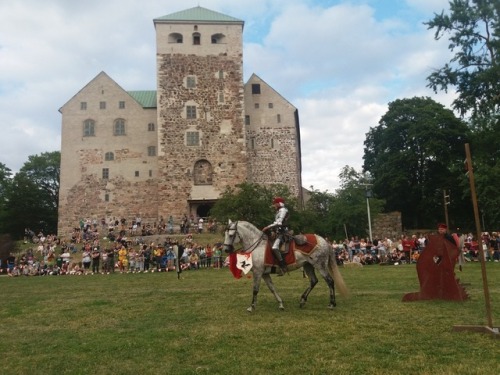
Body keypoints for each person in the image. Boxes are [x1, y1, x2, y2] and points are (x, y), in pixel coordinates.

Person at [262, 196, 289, 273]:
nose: (274, 205)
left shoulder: (283, 210)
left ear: (279, 203)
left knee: (274, 247)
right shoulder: (279, 211)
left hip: (283, 232)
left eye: (275, 203)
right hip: (278, 232)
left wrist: (267, 227)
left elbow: (279, 222)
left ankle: (282, 264)